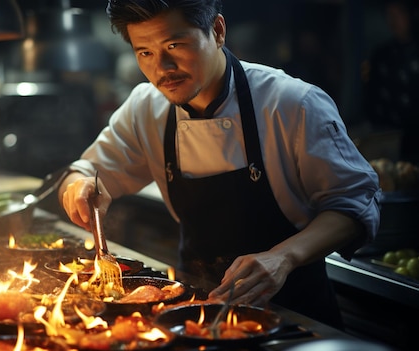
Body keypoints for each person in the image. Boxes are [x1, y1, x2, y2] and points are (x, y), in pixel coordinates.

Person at [57, 0, 381, 329]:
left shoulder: (292, 104)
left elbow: (355, 204)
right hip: (196, 316)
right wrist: (78, 186)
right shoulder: (146, 108)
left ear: (218, 31)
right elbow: (86, 172)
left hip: (296, 319)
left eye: (174, 45)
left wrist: (284, 256)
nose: (162, 67)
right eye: (145, 53)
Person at [362, 0, 419, 163]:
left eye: (398, 14)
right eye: (390, 15)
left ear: (412, 15)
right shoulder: (381, 56)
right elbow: (371, 99)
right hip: (387, 142)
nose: (393, 20)